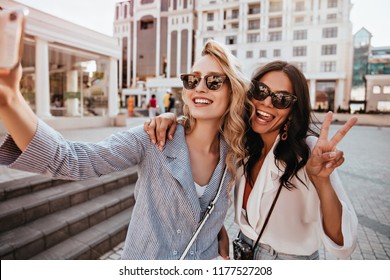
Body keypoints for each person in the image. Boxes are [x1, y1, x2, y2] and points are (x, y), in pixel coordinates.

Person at [0, 40, 249, 260]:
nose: (200, 87)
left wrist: (216, 228)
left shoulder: (235, 154)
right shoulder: (153, 138)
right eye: (192, 80)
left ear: (233, 91)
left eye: (214, 81)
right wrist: (10, 100)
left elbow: (202, 210)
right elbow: (71, 160)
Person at [144, 61, 358, 260]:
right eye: (260, 91)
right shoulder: (242, 147)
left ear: (292, 112)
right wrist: (173, 119)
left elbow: (343, 244)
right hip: (244, 253)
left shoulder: (309, 152)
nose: (266, 103)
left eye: (281, 99)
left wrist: (322, 182)